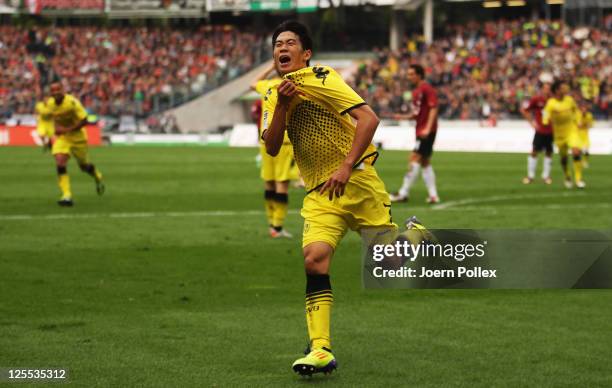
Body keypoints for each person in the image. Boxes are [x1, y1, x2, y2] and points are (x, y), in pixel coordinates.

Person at [262, 21, 404, 376]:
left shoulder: (323, 77)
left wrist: (345, 166)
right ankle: (321, 349)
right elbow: (273, 145)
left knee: (392, 265)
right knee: (314, 259)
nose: (283, 47)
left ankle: (416, 239)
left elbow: (368, 119)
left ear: (305, 54)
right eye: (278, 43)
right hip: (321, 194)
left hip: (357, 183)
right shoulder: (272, 94)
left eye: (290, 42)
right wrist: (281, 105)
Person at [250, 63, 296, 238]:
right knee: (281, 184)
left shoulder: (267, 86)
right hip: (284, 142)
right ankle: (277, 227)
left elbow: (252, 83)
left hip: (266, 141)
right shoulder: (292, 86)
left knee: (269, 182)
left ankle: (271, 222)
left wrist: (270, 67)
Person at [47, 81, 105, 206]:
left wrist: (67, 129)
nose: (55, 92)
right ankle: (66, 195)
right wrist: (56, 129)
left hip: (78, 138)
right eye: (53, 90)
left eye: (58, 89)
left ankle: (97, 175)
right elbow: (55, 119)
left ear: (63, 90)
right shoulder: (50, 103)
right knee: (60, 161)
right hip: (63, 138)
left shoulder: (72, 102)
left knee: (84, 167)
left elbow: (85, 120)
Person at [389, 64, 440, 204]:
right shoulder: (417, 91)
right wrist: (402, 117)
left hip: (426, 131)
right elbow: (417, 114)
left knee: (414, 158)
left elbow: (434, 108)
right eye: (408, 74)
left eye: (411, 74)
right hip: (421, 129)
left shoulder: (426, 89)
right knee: (425, 162)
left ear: (419, 75)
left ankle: (403, 193)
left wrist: (428, 128)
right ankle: (433, 196)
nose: (409, 77)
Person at [542, 80, 585, 189]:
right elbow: (546, 113)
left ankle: (578, 179)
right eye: (562, 88)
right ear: (556, 90)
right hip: (559, 134)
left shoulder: (569, 100)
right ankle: (567, 176)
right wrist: (545, 120)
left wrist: (579, 120)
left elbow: (576, 111)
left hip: (572, 131)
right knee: (564, 158)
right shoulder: (551, 103)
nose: (565, 90)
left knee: (576, 150)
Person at [520, 83, 553, 185]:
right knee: (534, 152)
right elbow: (525, 110)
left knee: (549, 152)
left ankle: (546, 176)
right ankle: (530, 176)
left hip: (551, 131)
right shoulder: (536, 99)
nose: (547, 90)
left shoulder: (553, 101)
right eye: (545, 88)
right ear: (542, 89)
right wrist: (532, 123)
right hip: (540, 131)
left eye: (548, 89)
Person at [575, 100, 593, 169]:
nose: (584, 110)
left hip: (585, 135)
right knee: (579, 151)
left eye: (585, 108)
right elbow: (578, 125)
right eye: (582, 108)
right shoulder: (578, 114)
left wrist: (588, 125)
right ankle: (579, 162)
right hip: (578, 135)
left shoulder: (589, 115)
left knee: (586, 150)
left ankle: (585, 161)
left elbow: (591, 125)